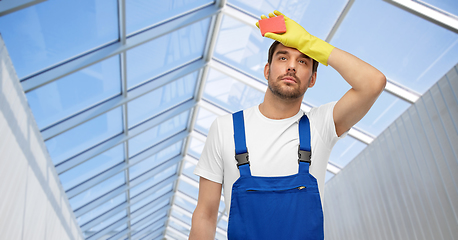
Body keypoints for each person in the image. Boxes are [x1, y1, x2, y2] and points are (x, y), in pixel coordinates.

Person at [189, 10, 386, 239]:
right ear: (267, 70)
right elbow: (205, 214)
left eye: (302, 61)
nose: (291, 66)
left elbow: (373, 83)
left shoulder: (320, 126)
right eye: (283, 58)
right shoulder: (225, 129)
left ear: (312, 79)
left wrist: (310, 43)